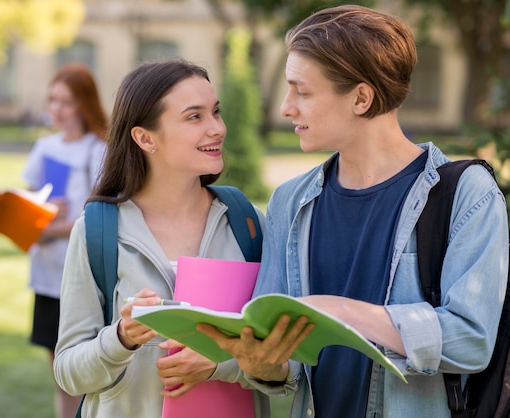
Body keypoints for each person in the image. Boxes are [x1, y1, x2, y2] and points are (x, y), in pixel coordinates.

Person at [197, 5, 509, 418]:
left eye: (302, 91)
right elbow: (284, 365)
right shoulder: (290, 201)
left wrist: (343, 312)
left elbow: (472, 341)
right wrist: (261, 363)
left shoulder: (467, 194)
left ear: (361, 98)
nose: (286, 107)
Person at [52, 59, 268, 418]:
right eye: (194, 117)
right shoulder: (97, 230)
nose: (217, 128)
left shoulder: (248, 224)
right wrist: (121, 338)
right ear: (145, 138)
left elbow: (289, 365)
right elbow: (69, 373)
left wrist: (220, 364)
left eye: (215, 112)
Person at [21, 63, 108, 418]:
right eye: (52, 100)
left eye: (66, 102)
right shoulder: (43, 147)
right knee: (58, 368)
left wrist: (50, 229)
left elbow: (101, 217)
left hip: (82, 278)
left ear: (84, 104)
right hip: (46, 274)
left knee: (88, 369)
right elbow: (26, 203)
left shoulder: (99, 150)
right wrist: (38, 212)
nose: (56, 109)